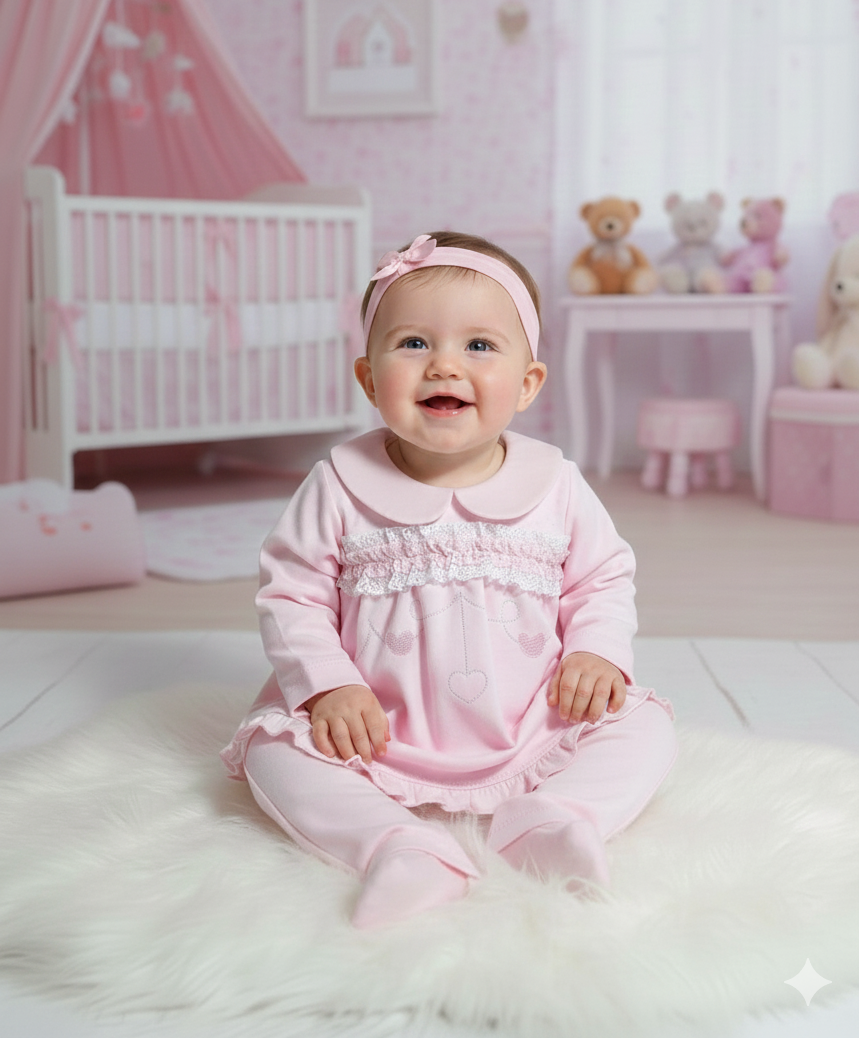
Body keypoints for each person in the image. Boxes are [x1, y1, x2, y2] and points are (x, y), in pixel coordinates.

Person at [221, 231, 677, 929]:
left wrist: (596, 652)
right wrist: (330, 686)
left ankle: (553, 819)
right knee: (273, 754)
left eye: (480, 346)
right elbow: (292, 594)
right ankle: (398, 846)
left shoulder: (555, 482)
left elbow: (603, 578)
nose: (444, 365)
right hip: (374, 728)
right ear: (369, 379)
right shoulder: (338, 483)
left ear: (527, 385)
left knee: (644, 724)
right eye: (412, 344)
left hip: (530, 722)